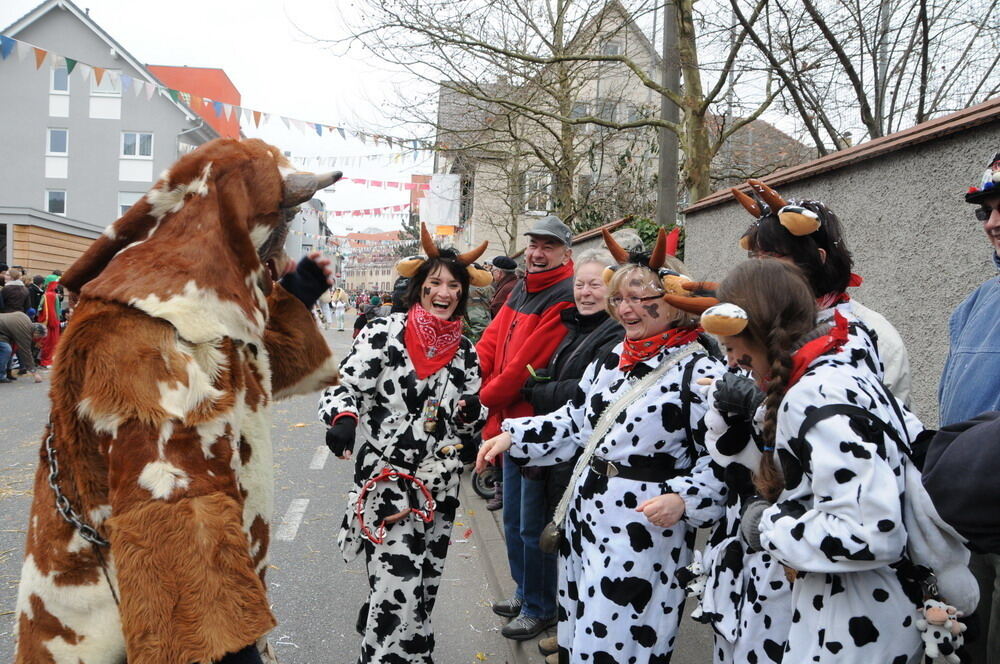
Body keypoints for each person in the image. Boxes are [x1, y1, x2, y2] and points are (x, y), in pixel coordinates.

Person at [477, 228, 725, 663]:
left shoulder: (699, 371)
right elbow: (577, 420)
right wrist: (514, 435)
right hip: (587, 519)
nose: (626, 310)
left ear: (673, 302)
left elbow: (725, 458)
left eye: (640, 299)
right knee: (581, 634)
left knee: (625, 643)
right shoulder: (615, 359)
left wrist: (684, 499)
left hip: (644, 532)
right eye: (620, 299)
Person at [703, 259, 932, 663]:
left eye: (731, 348)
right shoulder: (844, 369)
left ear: (744, 327)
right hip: (865, 612)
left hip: (852, 622)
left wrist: (767, 525)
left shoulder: (814, 393)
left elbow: (871, 532)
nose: (733, 361)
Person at [318, 224, 490, 664]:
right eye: (434, 283)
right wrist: (343, 417)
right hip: (386, 482)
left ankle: (417, 650)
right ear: (419, 288)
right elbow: (343, 386)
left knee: (425, 584)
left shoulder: (466, 351)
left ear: (462, 293)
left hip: (440, 486)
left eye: (453, 285)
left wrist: (473, 420)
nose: (444, 292)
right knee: (397, 588)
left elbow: (470, 415)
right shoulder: (383, 334)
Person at [520, 248, 622, 663]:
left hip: (591, 464)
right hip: (561, 453)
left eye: (594, 284)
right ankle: (570, 632)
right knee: (568, 554)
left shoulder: (614, 335)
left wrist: (539, 391)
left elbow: (584, 400)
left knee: (585, 559)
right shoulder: (574, 327)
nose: (585, 291)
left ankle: (575, 637)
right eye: (580, 283)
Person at [477, 215, 576, 640]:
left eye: (548, 247)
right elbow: (492, 341)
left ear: (565, 254)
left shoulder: (564, 295)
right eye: (534, 244)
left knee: (532, 524)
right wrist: (473, 373)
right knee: (517, 520)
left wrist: (485, 396)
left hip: (535, 430)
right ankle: (524, 590)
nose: (537, 253)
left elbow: (522, 367)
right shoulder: (523, 286)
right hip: (509, 426)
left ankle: (540, 606)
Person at [734, 179, 911, 403]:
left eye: (771, 258)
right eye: (755, 258)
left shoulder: (871, 334)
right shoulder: (761, 325)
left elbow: (877, 427)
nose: (757, 272)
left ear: (817, 259)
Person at [940, 151, 1000, 664]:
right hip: (965, 522)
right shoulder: (976, 303)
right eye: (986, 211)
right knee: (963, 645)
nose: (994, 222)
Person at [0, 313, 45, 383]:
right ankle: (1, 376)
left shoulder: (26, 320)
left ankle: (7, 373)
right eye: (38, 337)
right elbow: (26, 352)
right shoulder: (25, 331)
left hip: (3, 332)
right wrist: (34, 373)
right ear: (36, 333)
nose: (37, 339)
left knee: (10, 350)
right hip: (2, 332)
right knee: (7, 350)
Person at [35, 275, 61, 368]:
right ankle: (45, 361)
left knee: (51, 342)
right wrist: (54, 322)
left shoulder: (50, 294)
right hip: (51, 323)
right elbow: (49, 311)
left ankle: (47, 360)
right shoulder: (49, 295)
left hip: (53, 322)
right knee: (49, 342)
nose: (57, 286)